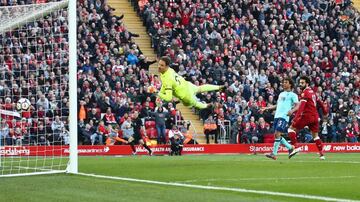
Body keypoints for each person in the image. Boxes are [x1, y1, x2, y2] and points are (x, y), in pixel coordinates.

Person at [157, 56, 224, 109]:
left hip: (185, 96)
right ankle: (219, 87)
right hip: (188, 85)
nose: (159, 66)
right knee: (200, 88)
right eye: (159, 64)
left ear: (167, 66)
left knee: (195, 104)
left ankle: (206, 106)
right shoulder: (169, 70)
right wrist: (161, 93)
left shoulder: (167, 79)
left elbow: (168, 98)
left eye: (162, 65)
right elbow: (165, 84)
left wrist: (158, 93)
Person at [287, 76, 328, 160]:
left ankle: (295, 147)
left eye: (302, 83)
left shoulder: (305, 93)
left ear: (307, 83)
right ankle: (322, 155)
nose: (300, 84)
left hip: (307, 116)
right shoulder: (313, 92)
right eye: (300, 83)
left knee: (291, 129)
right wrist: (325, 112)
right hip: (315, 117)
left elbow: (301, 107)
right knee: (315, 136)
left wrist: (295, 118)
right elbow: (320, 103)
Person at [260, 78, 299, 160]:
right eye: (283, 82)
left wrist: (292, 111)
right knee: (276, 135)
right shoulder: (281, 94)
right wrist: (266, 108)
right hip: (277, 116)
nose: (284, 84)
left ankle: (274, 154)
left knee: (277, 134)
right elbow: (277, 105)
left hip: (284, 116)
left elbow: (297, 105)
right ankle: (290, 148)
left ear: (290, 84)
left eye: (286, 82)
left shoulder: (293, 95)